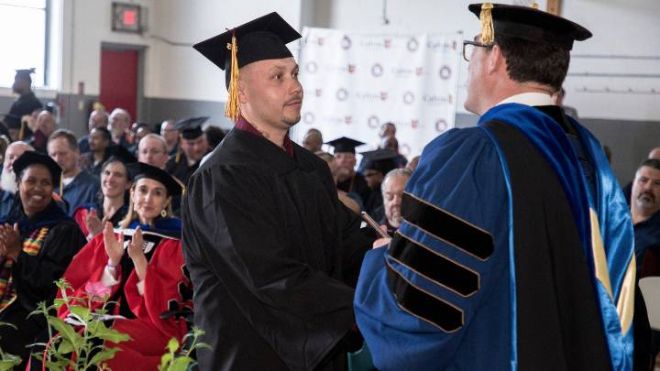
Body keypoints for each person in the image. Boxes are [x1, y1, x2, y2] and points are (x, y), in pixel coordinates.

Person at [355, 3, 635, 370]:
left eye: (472, 50)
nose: (467, 65)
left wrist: (382, 261)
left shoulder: (474, 154)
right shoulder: (587, 152)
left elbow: (420, 312)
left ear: (495, 58)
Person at [184, 12, 374, 370]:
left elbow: (343, 244)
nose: (295, 86)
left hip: (319, 354)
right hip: (249, 355)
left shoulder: (310, 167)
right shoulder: (222, 177)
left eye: (295, 74)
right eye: (278, 77)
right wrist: (365, 302)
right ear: (241, 91)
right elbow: (268, 276)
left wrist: (384, 255)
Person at [59, 162, 190, 370]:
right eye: (143, 190)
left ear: (166, 201)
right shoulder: (113, 236)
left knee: (100, 339)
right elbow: (84, 294)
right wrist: (112, 263)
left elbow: (164, 306)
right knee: (58, 340)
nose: (148, 199)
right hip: (105, 317)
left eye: (157, 193)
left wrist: (139, 260)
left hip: (152, 326)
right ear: (132, 193)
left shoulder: (175, 243)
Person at [0, 151, 86, 365]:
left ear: (53, 189)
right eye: (31, 181)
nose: (38, 188)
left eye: (46, 183)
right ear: (19, 183)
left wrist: (18, 253)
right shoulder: (8, 222)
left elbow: (51, 288)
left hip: (36, 320)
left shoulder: (64, 230)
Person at [73, 147, 136, 240]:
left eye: (118, 175)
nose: (110, 179)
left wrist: (100, 236)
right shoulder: (83, 213)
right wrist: (90, 237)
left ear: (128, 184)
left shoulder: (131, 219)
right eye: (107, 173)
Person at [48, 130, 100, 215]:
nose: (57, 159)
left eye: (62, 153)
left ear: (77, 152)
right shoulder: (48, 187)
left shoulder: (94, 186)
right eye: (53, 155)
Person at [366, 168, 411, 238]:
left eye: (403, 195)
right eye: (389, 197)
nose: (395, 202)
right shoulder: (372, 233)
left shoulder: (427, 231)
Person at [165, 117, 210, 185]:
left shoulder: (213, 160)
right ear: (181, 143)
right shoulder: (172, 165)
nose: (197, 148)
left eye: (200, 141)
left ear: (206, 140)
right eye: (191, 144)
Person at [327, 136, 371, 206]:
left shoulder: (364, 183)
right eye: (338, 156)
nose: (343, 161)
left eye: (348, 157)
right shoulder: (327, 181)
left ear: (355, 161)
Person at [360, 149, 399, 218]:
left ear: (381, 176)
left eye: (369, 175)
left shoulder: (388, 198)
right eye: (364, 175)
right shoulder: (371, 193)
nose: (365, 179)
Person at [0, 142, 34, 218]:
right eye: (11, 157)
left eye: (21, 158)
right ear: (4, 163)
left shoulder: (45, 198)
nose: (14, 162)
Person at [6, 69, 43, 139]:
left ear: (26, 82)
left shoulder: (35, 104)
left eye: (17, 80)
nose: (14, 84)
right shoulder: (18, 102)